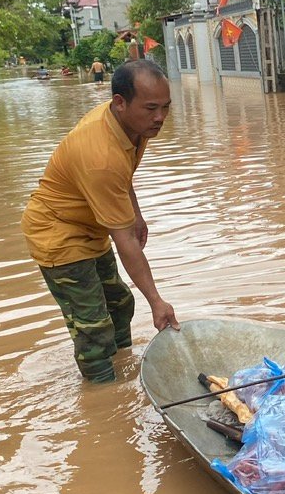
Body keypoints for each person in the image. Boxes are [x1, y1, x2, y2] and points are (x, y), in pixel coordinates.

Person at [21, 60, 179, 382]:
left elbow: (125, 172)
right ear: (120, 102)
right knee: (93, 326)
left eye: (165, 107)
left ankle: (121, 371)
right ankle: (103, 395)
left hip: (91, 223)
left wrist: (135, 212)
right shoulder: (99, 154)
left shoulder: (134, 126)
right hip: (58, 232)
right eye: (151, 108)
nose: (160, 117)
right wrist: (157, 302)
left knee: (119, 303)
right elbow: (125, 242)